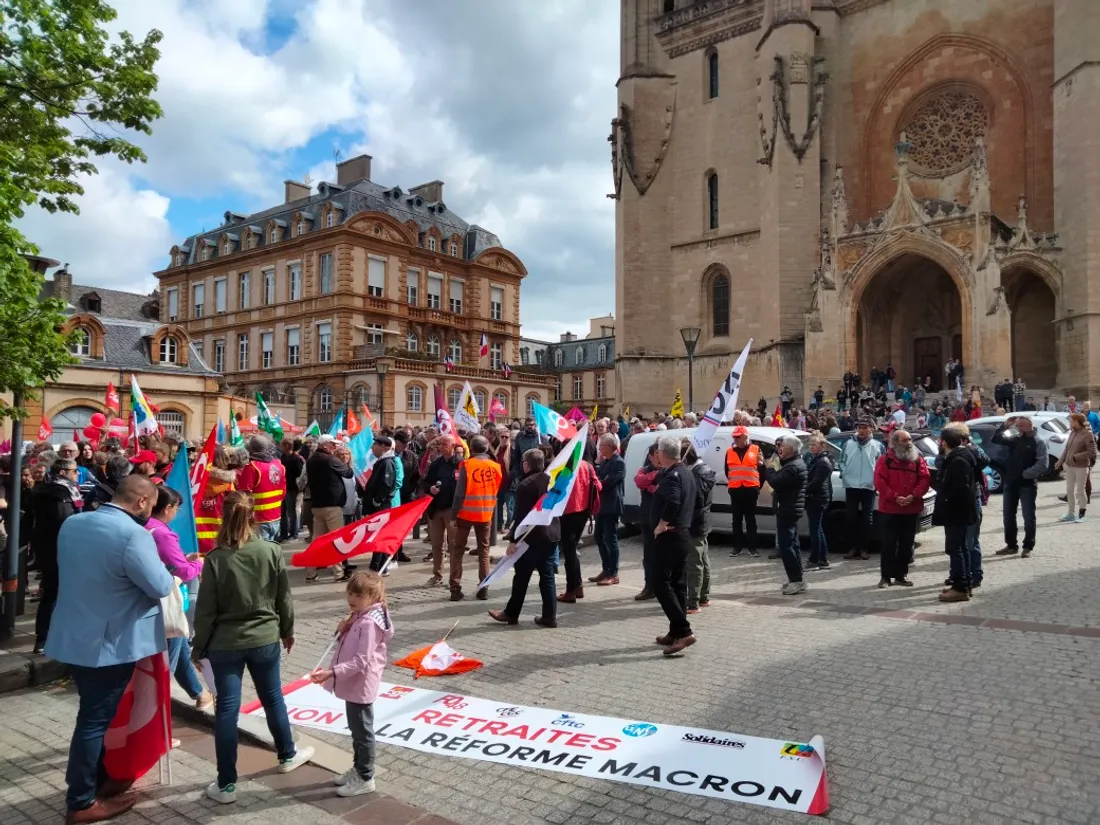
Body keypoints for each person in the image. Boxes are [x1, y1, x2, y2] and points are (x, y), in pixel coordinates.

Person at [45, 475, 174, 824]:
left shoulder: (74, 522)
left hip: (74, 635)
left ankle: (97, 781)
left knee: (93, 715)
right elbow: (160, 584)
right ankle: (82, 799)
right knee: (93, 720)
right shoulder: (133, 535)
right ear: (143, 503)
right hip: (110, 643)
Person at [192, 491, 313, 805]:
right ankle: (287, 754)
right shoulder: (270, 551)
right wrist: (288, 630)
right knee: (273, 698)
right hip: (264, 637)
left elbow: (205, 610)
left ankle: (226, 784)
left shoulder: (216, 559)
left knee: (227, 710)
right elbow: (283, 596)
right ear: (253, 516)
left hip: (225, 642)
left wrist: (198, 647)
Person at [309, 571, 393, 798]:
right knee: (356, 730)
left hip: (360, 683)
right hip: (353, 683)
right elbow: (345, 643)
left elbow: (361, 660)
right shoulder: (359, 616)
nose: (352, 598)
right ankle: (358, 768)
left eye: (359, 595)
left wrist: (332, 673)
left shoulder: (369, 623)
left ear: (373, 598)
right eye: (351, 593)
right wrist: (341, 628)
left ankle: (365, 776)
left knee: (363, 732)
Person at [146, 486, 213, 710]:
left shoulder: (146, 526)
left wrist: (183, 559)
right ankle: (158, 720)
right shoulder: (163, 533)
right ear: (168, 508)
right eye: (177, 507)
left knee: (181, 646)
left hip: (154, 601)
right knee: (168, 665)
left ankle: (200, 694)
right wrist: (198, 563)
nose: (178, 512)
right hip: (166, 603)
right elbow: (183, 572)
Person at [489, 448, 562, 628]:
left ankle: (511, 614)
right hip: (551, 534)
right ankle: (549, 616)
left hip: (531, 538)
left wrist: (513, 541)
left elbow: (521, 517)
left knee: (521, 577)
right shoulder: (551, 480)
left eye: (523, 462)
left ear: (527, 464)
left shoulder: (525, 485)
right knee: (547, 578)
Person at [650, 435, 698, 656]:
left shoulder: (673, 476)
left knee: (660, 582)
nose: (656, 455)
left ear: (662, 453)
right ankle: (675, 631)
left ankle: (684, 631)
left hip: (671, 536)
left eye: (657, 452)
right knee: (678, 583)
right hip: (682, 535)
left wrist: (662, 524)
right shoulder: (686, 472)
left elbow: (674, 501)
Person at [29, 456, 82, 654]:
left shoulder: (52, 490)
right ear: (63, 473)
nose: (78, 474)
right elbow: (67, 521)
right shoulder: (61, 493)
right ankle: (48, 638)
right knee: (57, 595)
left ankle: (44, 639)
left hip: (49, 551)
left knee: (52, 594)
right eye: (75, 471)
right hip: (61, 551)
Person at [873, 429, 930, 588]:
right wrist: (895, 497)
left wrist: (913, 495)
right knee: (888, 545)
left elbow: (924, 479)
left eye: (910, 440)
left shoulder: (918, 460)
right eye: (905, 441)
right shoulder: (885, 460)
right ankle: (885, 577)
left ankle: (901, 575)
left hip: (910, 509)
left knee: (906, 545)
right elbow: (879, 482)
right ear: (895, 442)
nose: (909, 443)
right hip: (890, 509)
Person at [450, 435, 502, 601]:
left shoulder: (466, 465)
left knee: (457, 551)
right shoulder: (496, 466)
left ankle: (455, 589)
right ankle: (484, 587)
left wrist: (453, 515)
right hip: (485, 514)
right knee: (484, 553)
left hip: (465, 514)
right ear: (487, 448)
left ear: (471, 448)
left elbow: (458, 495)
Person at [933, 428, 978, 602]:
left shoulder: (958, 460)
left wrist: (947, 501)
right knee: (961, 547)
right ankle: (963, 584)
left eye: (940, 440)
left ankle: (960, 587)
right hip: (960, 511)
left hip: (957, 512)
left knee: (956, 548)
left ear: (944, 442)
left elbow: (961, 489)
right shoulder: (959, 457)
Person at [992, 416, 1047, 558]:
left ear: (1029, 426)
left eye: (1020, 426)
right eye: (1017, 426)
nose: (1018, 429)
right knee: (1008, 516)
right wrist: (1004, 426)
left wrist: (1025, 474)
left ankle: (1028, 546)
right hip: (1010, 484)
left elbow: (1042, 465)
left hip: (1027, 484)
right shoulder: (1015, 438)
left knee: (1028, 516)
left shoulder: (1038, 441)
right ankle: (1011, 545)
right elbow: (996, 439)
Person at [305, 435, 354, 583]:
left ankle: (310, 572)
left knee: (317, 542)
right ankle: (339, 573)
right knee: (336, 540)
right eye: (332, 445)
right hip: (332, 506)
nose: (335, 447)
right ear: (325, 445)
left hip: (317, 505)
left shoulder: (311, 459)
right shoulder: (330, 459)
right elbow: (348, 472)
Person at [765, 435, 808, 595]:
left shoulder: (793, 466)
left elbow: (775, 481)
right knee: (792, 544)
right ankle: (797, 579)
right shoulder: (792, 463)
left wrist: (768, 468)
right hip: (789, 508)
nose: (779, 449)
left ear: (791, 448)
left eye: (782, 446)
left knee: (786, 546)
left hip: (788, 509)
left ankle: (796, 580)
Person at [557, 454, 600, 603]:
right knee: (572, 551)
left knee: (569, 553)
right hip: (583, 512)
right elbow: (598, 486)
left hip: (567, 513)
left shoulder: (564, 466)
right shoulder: (587, 466)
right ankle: (578, 586)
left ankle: (571, 590)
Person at [419, 435, 461, 588]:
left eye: (445, 444)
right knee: (437, 544)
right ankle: (437, 575)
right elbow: (424, 481)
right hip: (436, 509)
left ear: (452, 446)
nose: (441, 446)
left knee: (454, 545)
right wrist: (430, 488)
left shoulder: (460, 463)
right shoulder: (436, 464)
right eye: (440, 444)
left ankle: (454, 578)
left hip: (452, 509)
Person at [840, 418, 883, 560]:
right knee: (851, 518)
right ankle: (853, 547)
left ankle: (864, 548)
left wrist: (876, 482)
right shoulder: (848, 444)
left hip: (868, 486)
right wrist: (844, 474)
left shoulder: (877, 445)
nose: (862, 430)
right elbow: (841, 461)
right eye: (859, 427)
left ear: (871, 429)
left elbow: (881, 466)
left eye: (865, 427)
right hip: (851, 485)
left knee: (867, 519)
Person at [235, 435, 286, 543]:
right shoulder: (279, 465)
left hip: (258, 519)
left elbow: (243, 495)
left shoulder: (252, 467)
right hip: (276, 516)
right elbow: (283, 492)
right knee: (271, 549)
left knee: (260, 553)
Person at [683, 441, 715, 614]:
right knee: (703, 559)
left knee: (695, 562)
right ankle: (703, 597)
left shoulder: (696, 474)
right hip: (702, 521)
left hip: (695, 522)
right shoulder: (705, 470)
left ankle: (693, 601)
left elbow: (695, 501)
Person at [590, 432, 625, 586]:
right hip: (601, 506)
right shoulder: (604, 462)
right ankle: (606, 568)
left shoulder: (618, 463)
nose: (600, 449)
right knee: (598, 536)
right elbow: (597, 479)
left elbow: (605, 483)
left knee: (611, 539)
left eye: (602, 446)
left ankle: (613, 573)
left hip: (611, 505)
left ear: (610, 447)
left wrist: (597, 481)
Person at [360, 436, 399, 572]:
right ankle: (379, 564)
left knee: (380, 536)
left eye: (375, 445)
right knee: (378, 535)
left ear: (384, 447)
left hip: (381, 507)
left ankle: (378, 565)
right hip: (378, 506)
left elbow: (386, 484)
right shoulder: (382, 461)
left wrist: (377, 500)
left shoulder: (387, 462)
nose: (372, 448)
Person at [725, 426, 764, 557]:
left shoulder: (756, 449)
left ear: (745, 437)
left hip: (750, 490)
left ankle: (752, 547)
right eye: (734, 437)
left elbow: (762, 470)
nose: (735, 439)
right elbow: (727, 471)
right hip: (735, 490)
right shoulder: (729, 451)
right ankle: (737, 547)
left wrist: (757, 487)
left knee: (750, 520)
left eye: (738, 437)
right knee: (736, 520)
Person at [1056, 412, 1097, 523]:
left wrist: (1076, 457)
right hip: (1069, 466)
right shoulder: (1072, 433)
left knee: (1080, 490)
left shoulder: (1087, 434)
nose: (1069, 422)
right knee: (1069, 490)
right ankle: (1070, 513)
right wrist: (1060, 461)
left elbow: (1092, 452)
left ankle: (1082, 514)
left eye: (1071, 421)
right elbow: (1066, 448)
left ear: (1077, 422)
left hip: (1081, 466)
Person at [632, 444, 660, 600]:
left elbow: (664, 489)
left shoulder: (669, 470)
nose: (659, 457)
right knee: (648, 556)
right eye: (656, 454)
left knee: (663, 556)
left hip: (663, 520)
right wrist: (654, 477)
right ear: (650, 456)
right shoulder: (646, 469)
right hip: (647, 519)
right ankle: (649, 587)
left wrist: (650, 484)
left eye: (660, 453)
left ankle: (663, 587)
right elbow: (638, 480)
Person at [804, 434, 833, 570]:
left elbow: (816, 483)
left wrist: (802, 490)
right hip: (816, 497)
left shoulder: (823, 462)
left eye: (814, 445)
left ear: (822, 446)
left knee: (815, 529)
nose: (811, 447)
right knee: (818, 528)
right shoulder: (818, 459)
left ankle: (814, 560)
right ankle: (822, 559)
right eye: (810, 445)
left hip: (817, 498)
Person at [278, 438, 304, 542]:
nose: (280, 447)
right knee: (282, 511)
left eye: (282, 445)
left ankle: (294, 534)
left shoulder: (296, 459)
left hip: (291, 489)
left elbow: (300, 474)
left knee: (291, 512)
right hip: (282, 488)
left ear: (287, 446)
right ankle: (283, 534)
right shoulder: (282, 457)